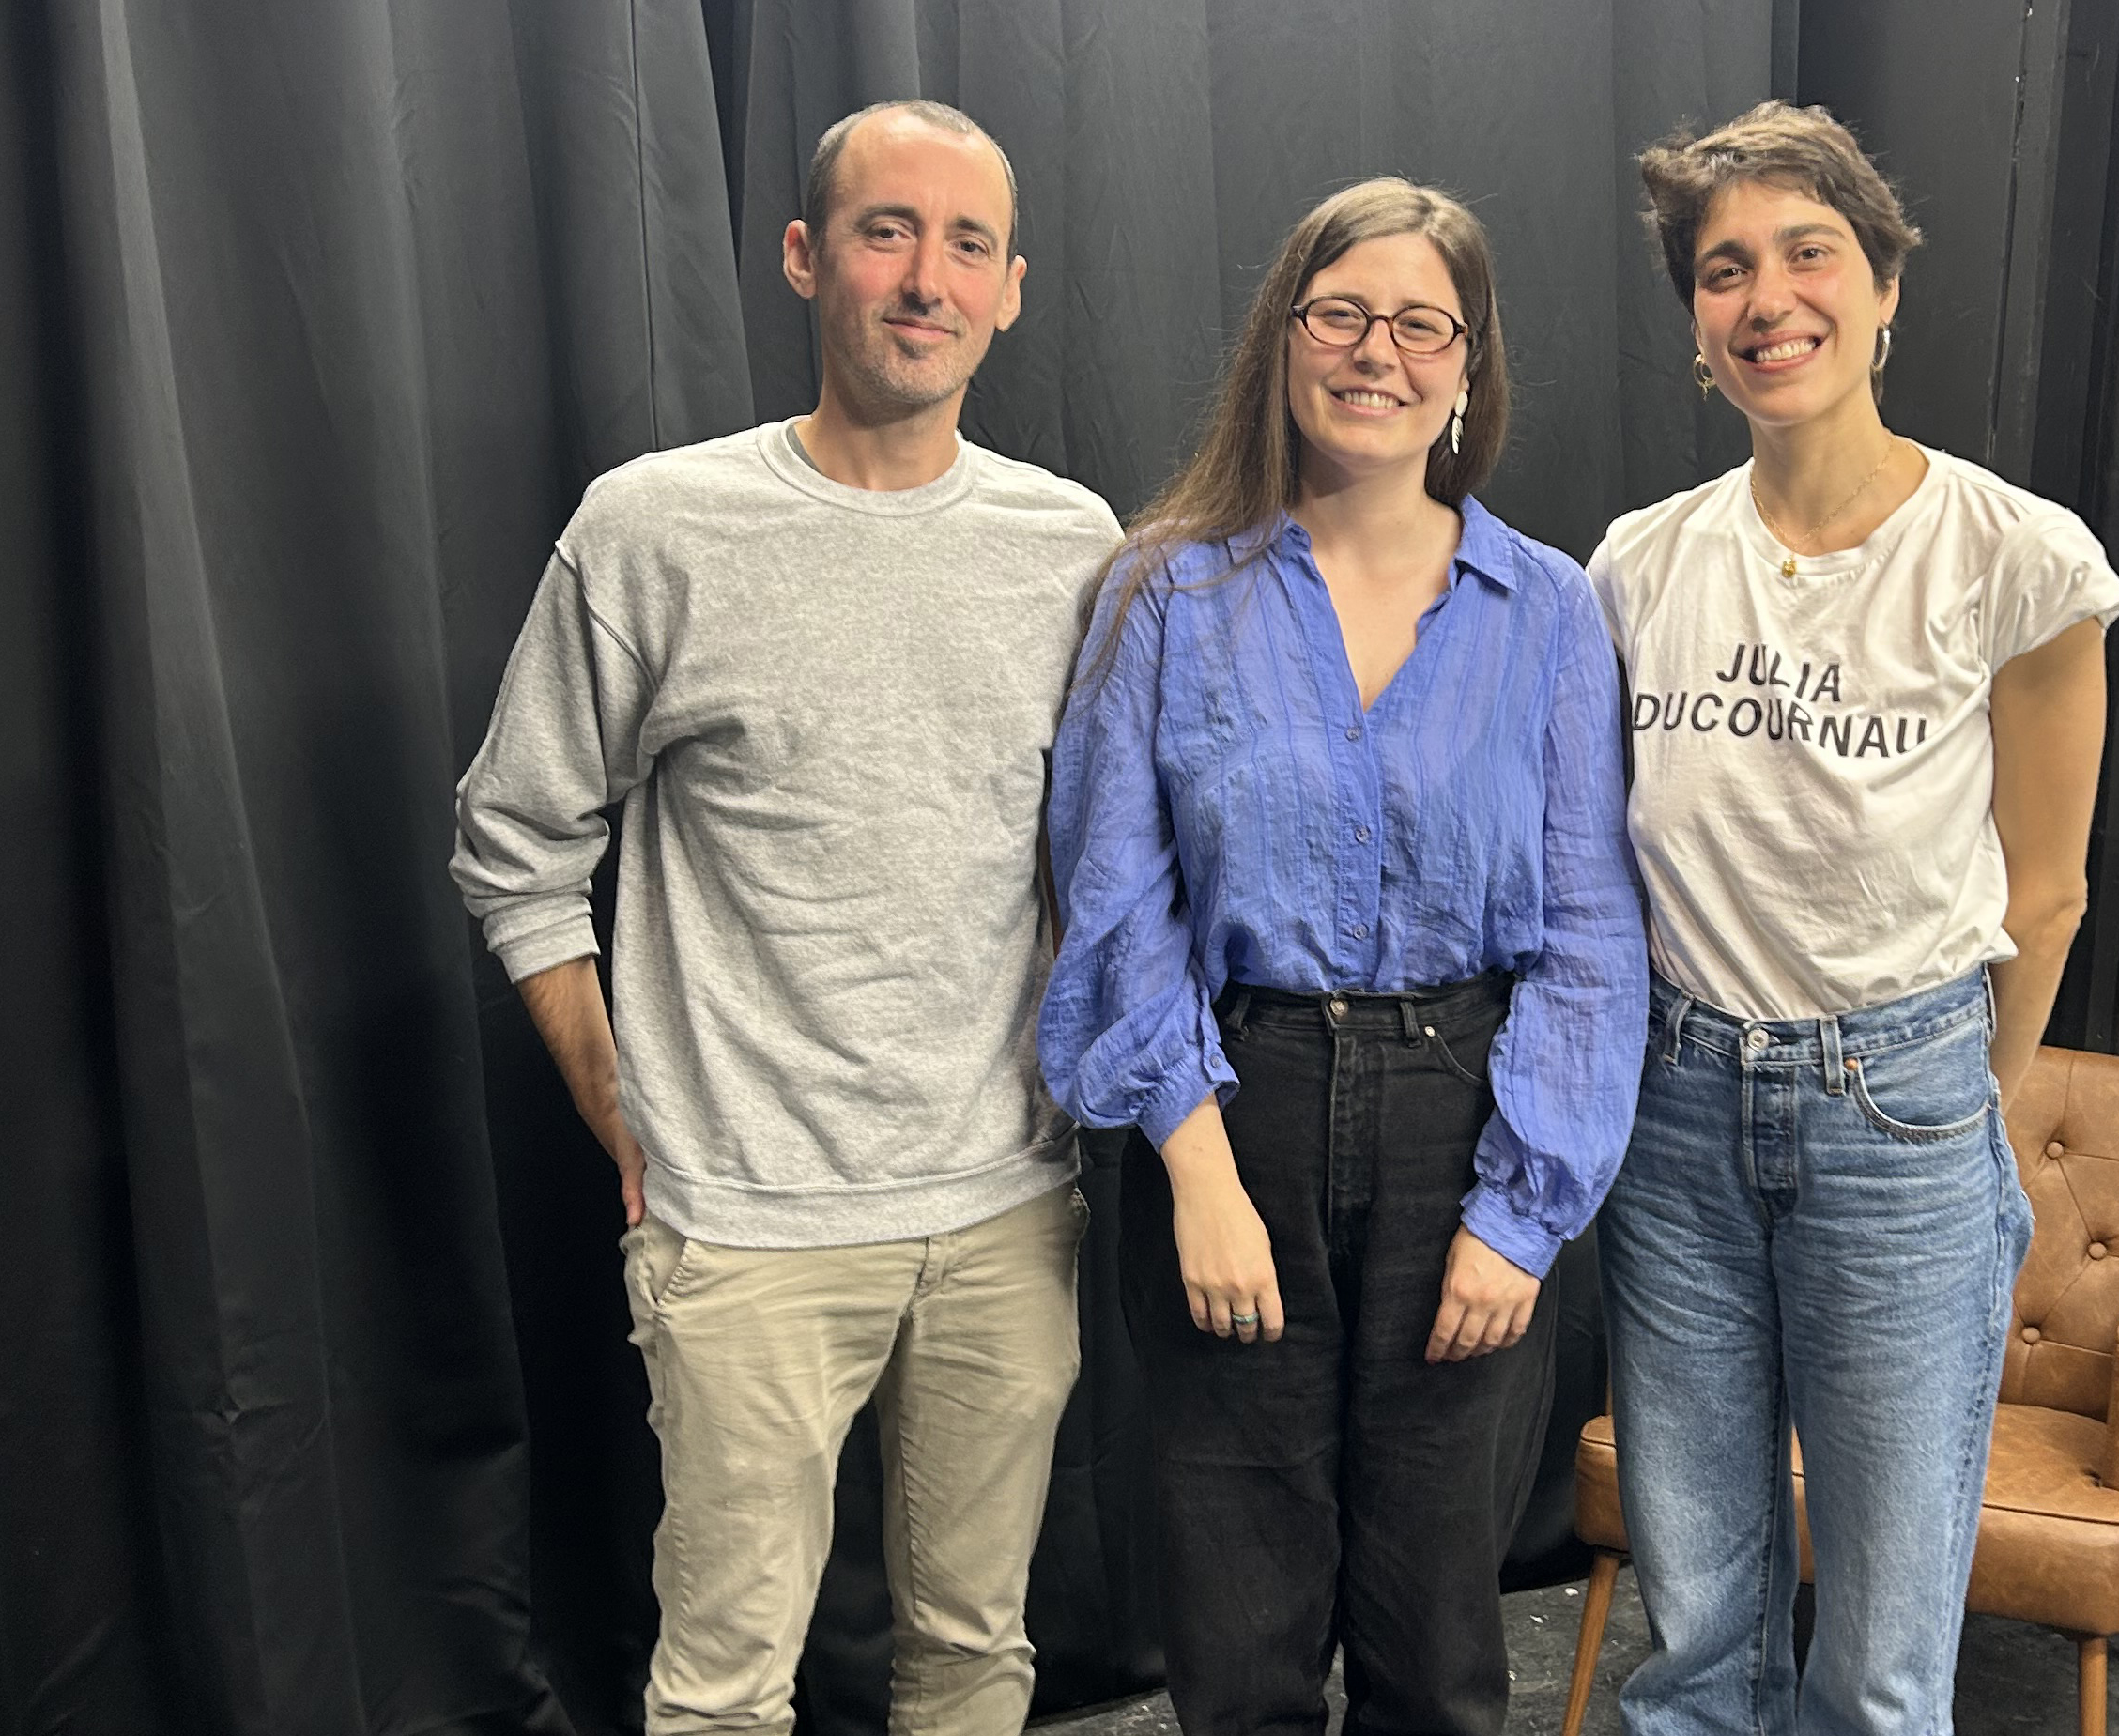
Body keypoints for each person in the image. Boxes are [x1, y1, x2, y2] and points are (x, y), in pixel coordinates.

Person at [449, 101, 1120, 1736]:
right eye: (888, 231)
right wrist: (620, 1104)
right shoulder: (654, 528)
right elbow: (514, 838)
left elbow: (1104, 866)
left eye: (967, 243)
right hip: (743, 1219)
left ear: (1012, 288)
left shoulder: (1074, 546)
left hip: (1005, 1206)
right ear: (806, 257)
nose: (927, 278)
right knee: (726, 1686)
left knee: (976, 1650)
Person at [1038, 178, 1646, 1736]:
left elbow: (1591, 933)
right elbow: (1115, 901)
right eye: (1342, 313)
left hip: (1471, 1122)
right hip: (1232, 1107)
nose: (1379, 351)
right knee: (1238, 1635)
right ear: (1283, 338)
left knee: (1436, 1641)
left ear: (1468, 365)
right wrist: (1197, 1172)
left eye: (1422, 324)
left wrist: (1522, 1215)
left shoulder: (1549, 609)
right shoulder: (1165, 590)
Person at [1589, 102, 2119, 1736]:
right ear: (1698, 324)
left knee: (1882, 1661)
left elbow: (2048, 889)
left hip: (1902, 1107)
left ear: (1885, 285)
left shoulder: (2013, 556)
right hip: (1674, 1116)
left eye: (1808, 254)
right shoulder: (1637, 567)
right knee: (1697, 1636)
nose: (1769, 299)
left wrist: (1961, 1108)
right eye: (1725, 270)